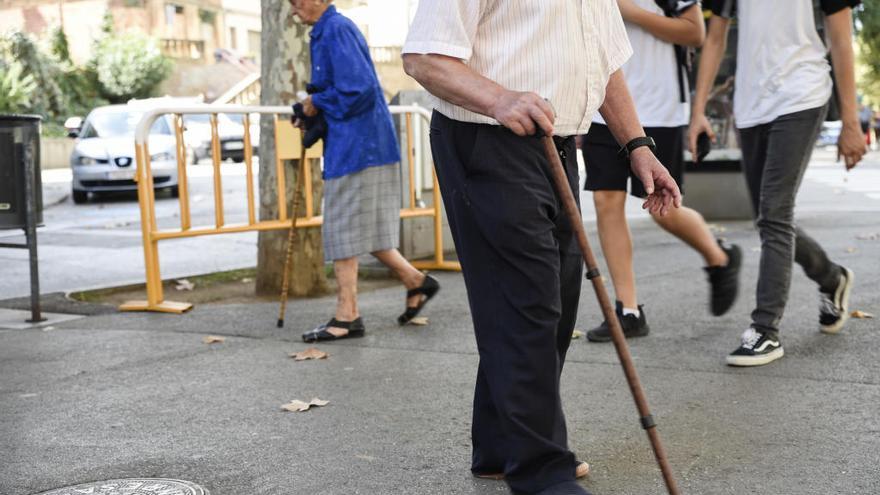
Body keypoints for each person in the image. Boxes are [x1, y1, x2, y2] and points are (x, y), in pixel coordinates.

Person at [402, 2, 682, 493]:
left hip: (556, 145)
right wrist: (499, 99)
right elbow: (425, 57)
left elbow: (604, 64)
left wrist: (638, 145)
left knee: (556, 298)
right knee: (527, 300)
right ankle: (540, 471)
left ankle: (500, 446)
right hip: (485, 136)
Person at [689, 0, 865, 367]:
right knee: (770, 218)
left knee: (774, 212)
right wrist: (698, 112)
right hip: (752, 104)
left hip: (802, 92)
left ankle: (765, 329)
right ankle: (832, 277)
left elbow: (840, 35)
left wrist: (851, 121)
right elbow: (717, 37)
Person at [581, 0, 742, 343]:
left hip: (658, 106)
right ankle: (628, 310)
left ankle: (719, 257)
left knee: (663, 208)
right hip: (602, 104)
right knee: (605, 200)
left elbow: (695, 32)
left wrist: (627, 11)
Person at [289, 0, 440, 343]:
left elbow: (357, 90)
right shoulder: (328, 30)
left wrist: (315, 103)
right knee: (364, 230)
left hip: (359, 147)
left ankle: (347, 315)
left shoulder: (336, 29)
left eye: (295, 2)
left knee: (343, 227)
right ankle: (416, 281)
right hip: (362, 143)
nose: (293, 11)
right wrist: (313, 108)